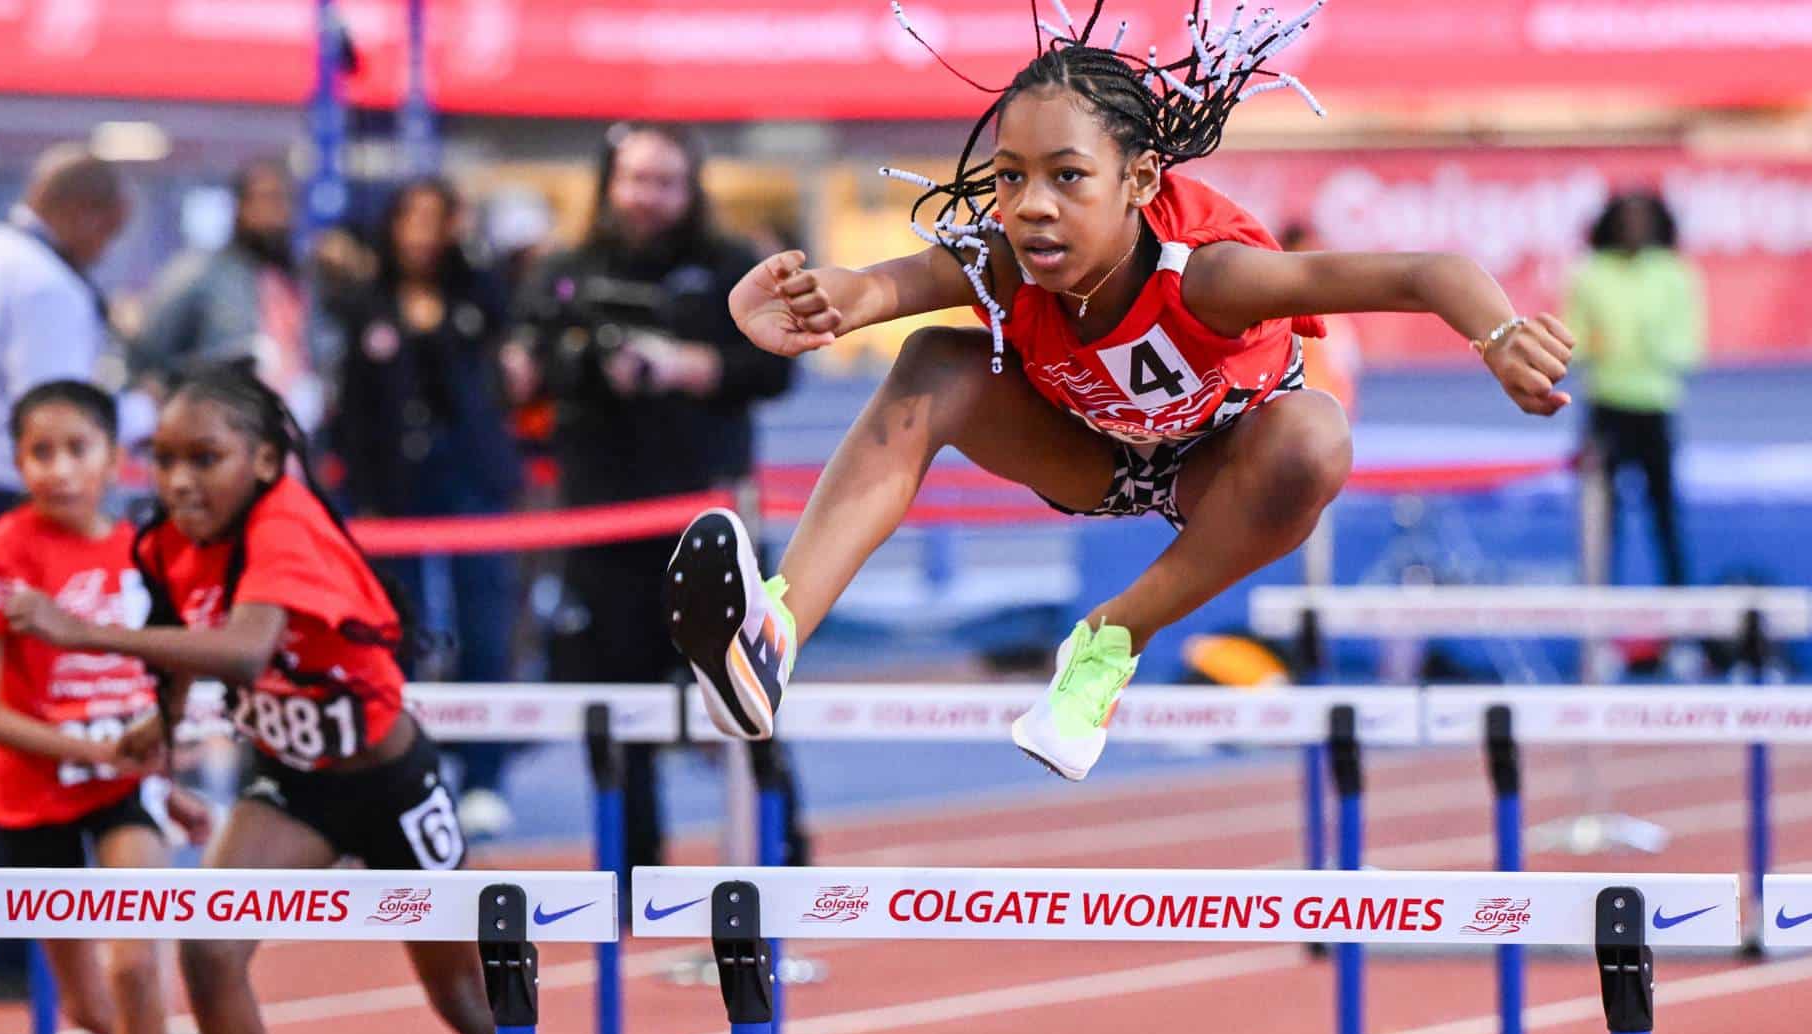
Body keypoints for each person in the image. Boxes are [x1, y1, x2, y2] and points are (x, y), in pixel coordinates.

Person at [666, 2, 1574, 781]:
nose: (1031, 206)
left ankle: (1106, 645)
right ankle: (774, 634)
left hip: (1224, 465)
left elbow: (1425, 270)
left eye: (1067, 177)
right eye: (1011, 178)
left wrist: (1498, 335)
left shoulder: (1213, 277)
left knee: (1317, 435)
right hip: (1091, 454)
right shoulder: (1000, 258)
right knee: (932, 365)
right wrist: (799, 304)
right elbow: (875, 289)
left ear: (1138, 181)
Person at [1, 366, 548, 1034]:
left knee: (461, 995)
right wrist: (160, 723)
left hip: (388, 783)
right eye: (164, 461)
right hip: (291, 784)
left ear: (263, 462)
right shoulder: (168, 539)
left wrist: (80, 633)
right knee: (208, 945)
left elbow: (244, 646)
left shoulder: (286, 521)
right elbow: (183, 634)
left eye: (205, 459)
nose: (179, 482)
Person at [516, 123, 803, 881]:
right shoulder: (564, 271)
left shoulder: (730, 266)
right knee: (612, 707)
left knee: (751, 695)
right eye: (635, 179)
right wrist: (572, 364)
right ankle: (630, 871)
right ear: (609, 180)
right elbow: (524, 365)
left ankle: (782, 862)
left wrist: (686, 367)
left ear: (691, 186)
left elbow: (776, 369)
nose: (647, 197)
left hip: (711, 526)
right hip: (602, 525)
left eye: (664, 181)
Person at [0, 382, 211, 1034]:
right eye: (39, 452)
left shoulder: (144, 555)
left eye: (76, 449)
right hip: (31, 795)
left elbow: (154, 690)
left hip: (123, 791)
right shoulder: (0, 557)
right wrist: (90, 750)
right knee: (93, 1008)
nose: (57, 469)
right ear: (16, 461)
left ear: (113, 460)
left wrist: (162, 783)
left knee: (135, 970)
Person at [0, 145, 126, 997]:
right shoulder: (45, 284)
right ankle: (21, 954)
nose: (104, 252)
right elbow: (58, 421)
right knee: (17, 723)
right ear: (86, 214)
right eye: (107, 235)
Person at [333, 178, 522, 834]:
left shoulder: (476, 294)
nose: (418, 232)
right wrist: (364, 499)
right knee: (399, 634)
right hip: (394, 494)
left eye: (432, 219)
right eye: (407, 217)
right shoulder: (365, 302)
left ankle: (485, 777)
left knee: (484, 629)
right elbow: (352, 410)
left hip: (472, 483)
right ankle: (405, 770)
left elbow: (493, 361)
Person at [1566, 190, 1705, 586]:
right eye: (1626, 220)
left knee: (1665, 516)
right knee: (1600, 520)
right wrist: (1593, 347)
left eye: (1642, 221)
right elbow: (1569, 337)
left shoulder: (1675, 274)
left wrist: (1651, 346)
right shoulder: (1589, 273)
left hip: (1655, 406)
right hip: (1604, 406)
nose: (1634, 229)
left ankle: (1680, 622)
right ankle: (1596, 617)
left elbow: (1688, 348)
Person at [130, 159, 324, 433]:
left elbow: (319, 350)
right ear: (241, 207)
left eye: (285, 201)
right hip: (219, 432)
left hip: (289, 436)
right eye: (267, 200)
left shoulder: (296, 279)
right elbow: (149, 355)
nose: (278, 213)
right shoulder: (200, 273)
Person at [1279, 222, 1362, 421]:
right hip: (1294, 414)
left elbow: (1346, 362)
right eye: (1306, 252)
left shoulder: (1330, 311)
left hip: (1327, 412)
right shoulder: (1276, 308)